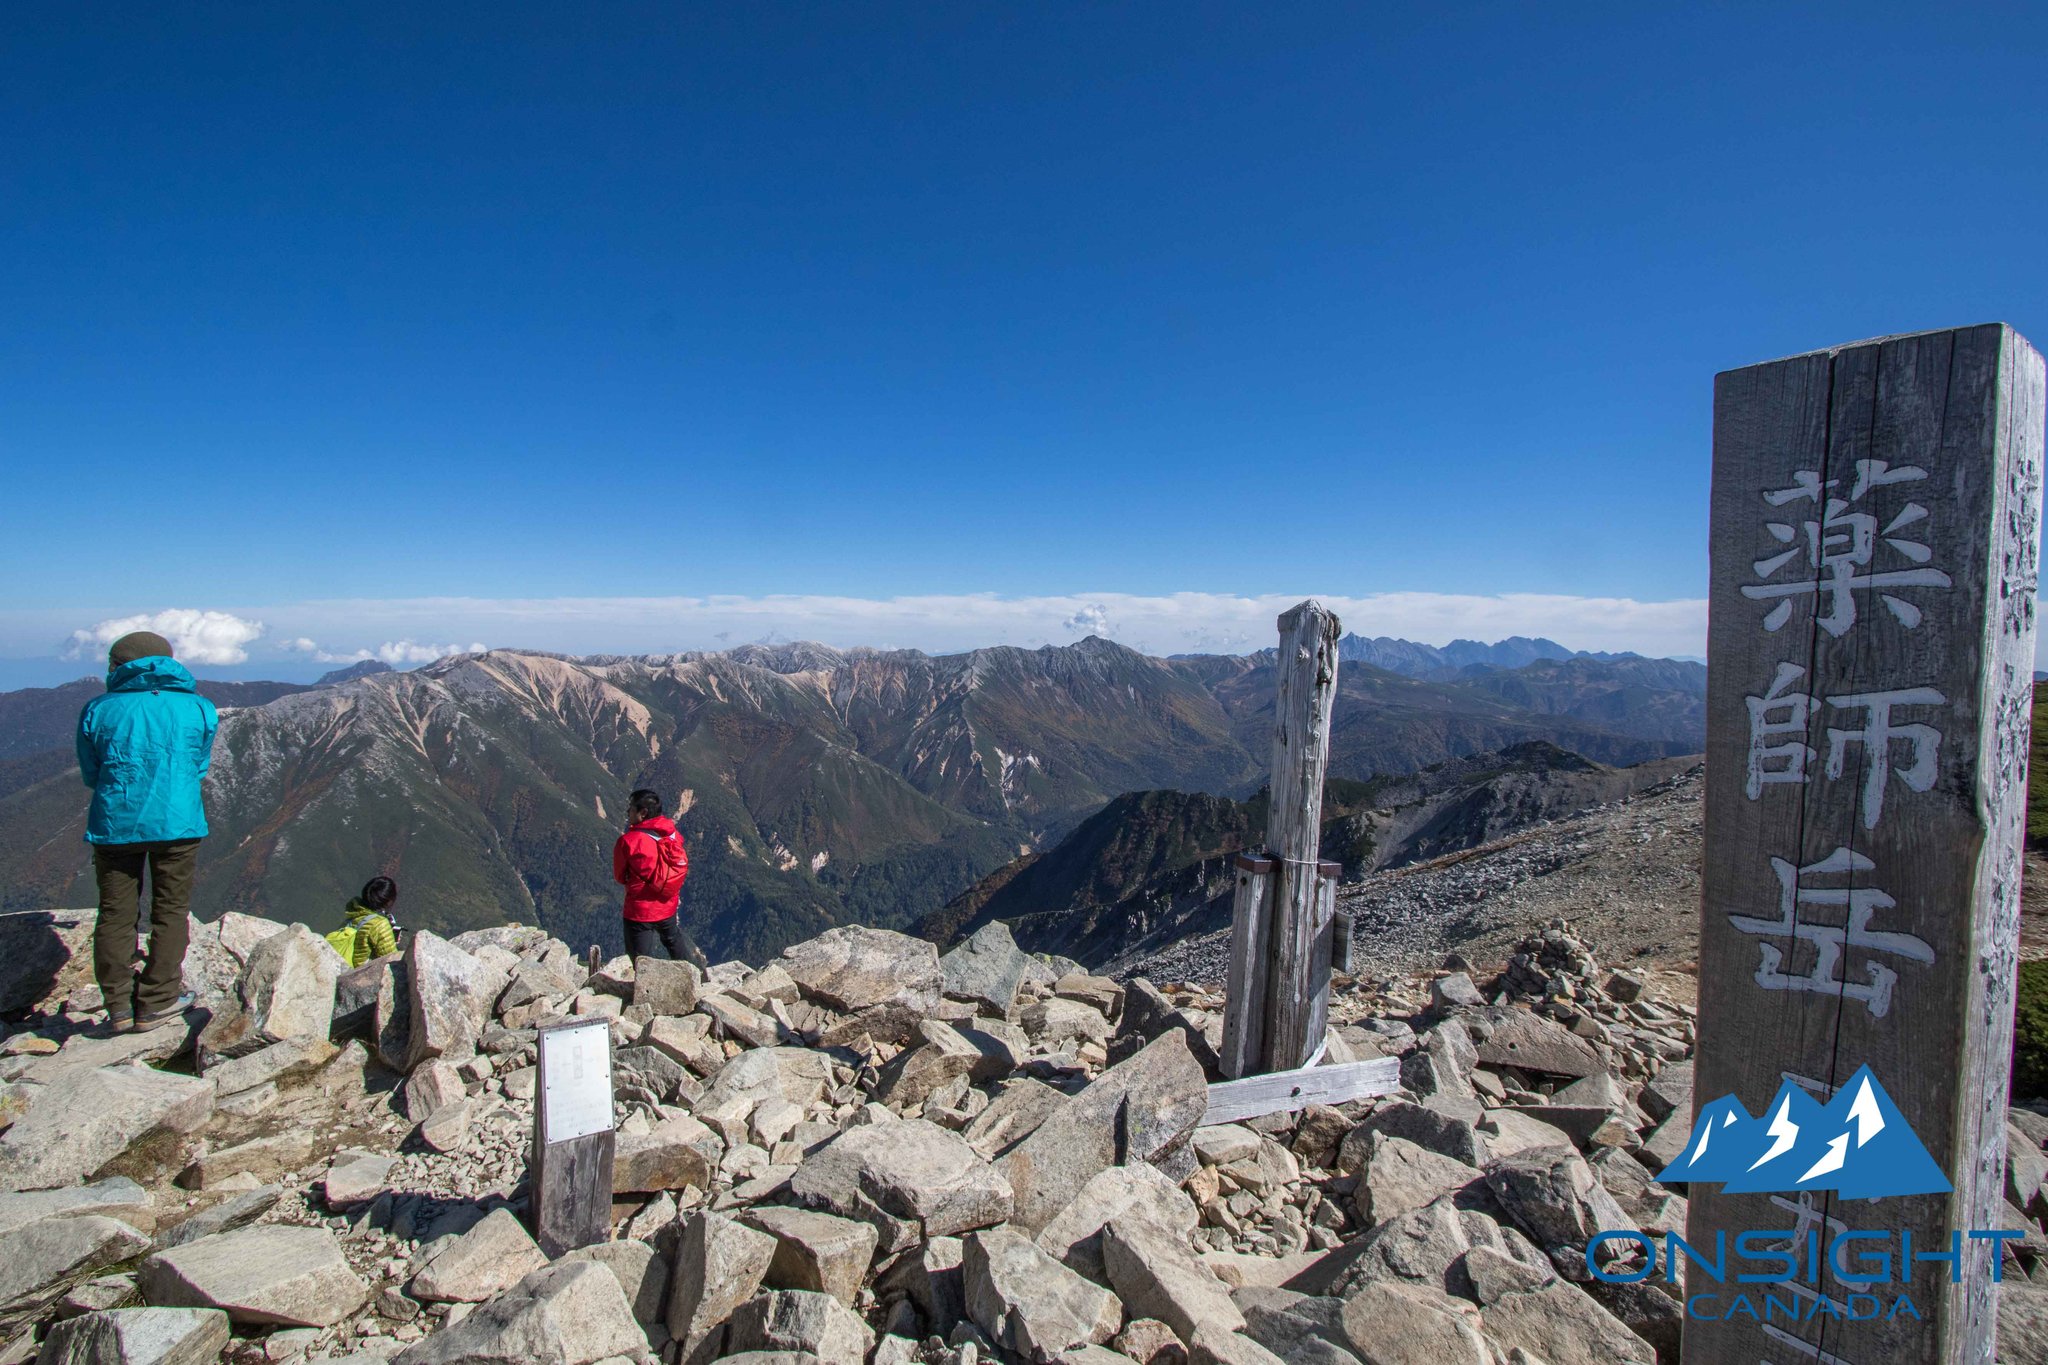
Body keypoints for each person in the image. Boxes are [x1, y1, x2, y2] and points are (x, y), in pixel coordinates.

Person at [76, 630, 218, 1032]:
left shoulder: (98, 709)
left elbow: (91, 773)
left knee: (116, 913)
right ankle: (158, 1000)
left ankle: (119, 1007)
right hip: (178, 822)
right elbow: (198, 766)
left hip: (115, 822)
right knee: (170, 910)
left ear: (120, 665)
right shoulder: (199, 707)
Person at [612, 788, 702, 964]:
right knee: (673, 941)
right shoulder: (672, 834)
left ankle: (643, 981)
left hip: (640, 910)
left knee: (640, 959)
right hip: (667, 903)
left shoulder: (628, 842)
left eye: (631, 808)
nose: (628, 812)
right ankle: (691, 973)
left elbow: (620, 876)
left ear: (643, 813)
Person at [329, 875, 403, 967]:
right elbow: (392, 960)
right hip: (357, 971)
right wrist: (391, 940)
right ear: (389, 902)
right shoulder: (380, 924)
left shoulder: (354, 913)